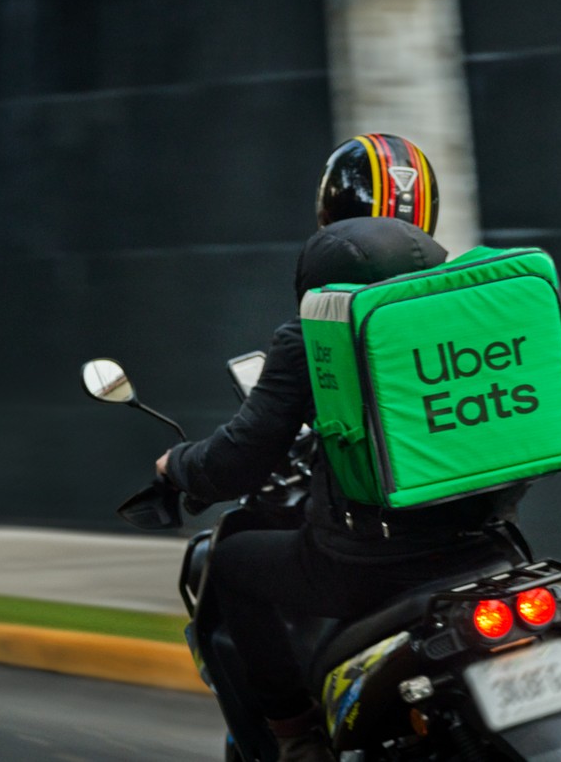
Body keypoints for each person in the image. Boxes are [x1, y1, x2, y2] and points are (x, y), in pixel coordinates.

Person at [155, 141, 520, 762]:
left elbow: (241, 458)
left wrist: (178, 465)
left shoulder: (318, 331)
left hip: (370, 562)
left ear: (329, 216)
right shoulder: (467, 311)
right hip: (487, 546)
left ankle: (296, 736)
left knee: (236, 558)